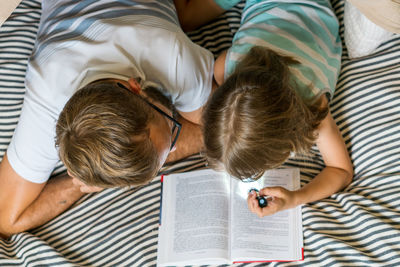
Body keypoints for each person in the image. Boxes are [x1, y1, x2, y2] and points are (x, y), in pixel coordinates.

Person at [0, 0, 215, 238]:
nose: (175, 144)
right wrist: (83, 182)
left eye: (173, 127)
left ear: (135, 87)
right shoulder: (46, 104)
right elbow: (6, 218)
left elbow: (223, 129)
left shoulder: (170, 54)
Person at [174, 0, 353, 217]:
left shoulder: (313, 106)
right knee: (185, 17)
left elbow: (342, 171)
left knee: (186, 16)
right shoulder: (229, 63)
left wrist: (295, 198)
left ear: (286, 145)